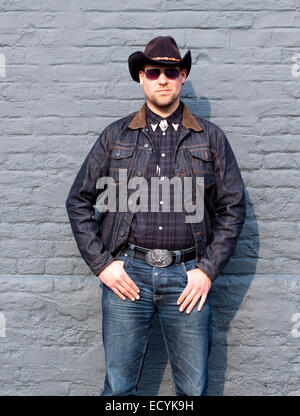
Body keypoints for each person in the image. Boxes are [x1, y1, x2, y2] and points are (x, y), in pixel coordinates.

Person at [65, 36, 246, 396]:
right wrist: (103, 264)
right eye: (153, 71)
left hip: (187, 281)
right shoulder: (116, 137)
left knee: (193, 389)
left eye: (171, 71)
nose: (162, 79)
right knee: (118, 388)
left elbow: (232, 209)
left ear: (182, 77)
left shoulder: (210, 138)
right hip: (128, 277)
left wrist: (207, 271)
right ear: (141, 78)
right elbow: (79, 201)